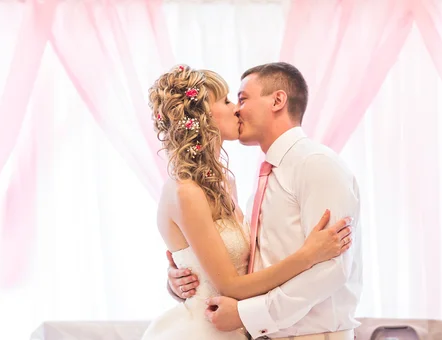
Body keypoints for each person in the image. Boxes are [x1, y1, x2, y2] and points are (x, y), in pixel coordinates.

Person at [142, 65, 353, 340]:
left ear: (277, 101)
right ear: (203, 115)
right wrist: (308, 255)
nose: (236, 109)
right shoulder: (187, 191)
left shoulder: (310, 165)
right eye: (228, 100)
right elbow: (229, 282)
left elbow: (334, 270)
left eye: (240, 99)